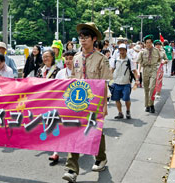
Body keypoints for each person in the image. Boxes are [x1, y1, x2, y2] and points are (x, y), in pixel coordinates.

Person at [62, 22, 112, 183]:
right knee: (75, 130)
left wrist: (104, 105)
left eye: (86, 37)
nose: (82, 40)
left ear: (94, 39)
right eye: (81, 37)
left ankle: (101, 158)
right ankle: (71, 169)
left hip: (95, 102)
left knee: (95, 131)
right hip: (78, 101)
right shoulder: (76, 58)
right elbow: (72, 79)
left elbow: (104, 83)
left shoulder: (101, 59)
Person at [47, 51, 77, 164]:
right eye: (67, 58)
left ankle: (73, 152)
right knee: (57, 126)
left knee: (72, 129)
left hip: (75, 105)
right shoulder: (60, 73)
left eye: (71, 58)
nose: (69, 61)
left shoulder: (80, 73)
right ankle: (56, 152)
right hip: (61, 104)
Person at [137, 35, 166, 113]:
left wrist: (163, 61)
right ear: (145, 43)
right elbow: (138, 62)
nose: (148, 44)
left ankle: (151, 104)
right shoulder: (142, 52)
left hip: (153, 69)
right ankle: (147, 105)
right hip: (145, 69)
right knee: (146, 89)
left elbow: (161, 59)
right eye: (147, 43)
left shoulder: (156, 51)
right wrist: (138, 71)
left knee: (152, 87)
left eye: (150, 42)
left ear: (152, 43)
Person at [111, 44, 139, 119]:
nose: (122, 51)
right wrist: (108, 78)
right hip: (116, 82)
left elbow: (134, 71)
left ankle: (128, 111)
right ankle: (120, 113)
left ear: (126, 51)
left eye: (123, 50)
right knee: (116, 99)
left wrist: (137, 80)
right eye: (120, 50)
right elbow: (112, 69)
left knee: (127, 98)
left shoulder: (129, 60)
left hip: (126, 83)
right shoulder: (116, 60)